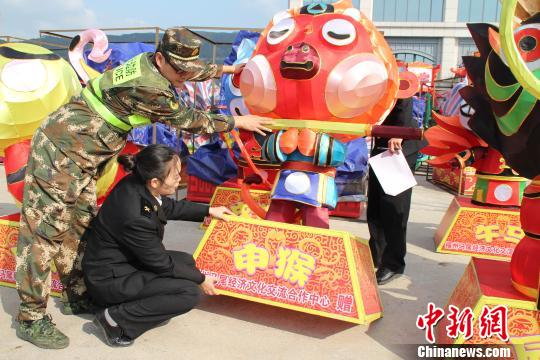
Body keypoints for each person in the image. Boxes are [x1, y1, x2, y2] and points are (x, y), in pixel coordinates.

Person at [15, 27, 272, 349]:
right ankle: (31, 317)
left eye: (186, 68)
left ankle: (76, 294)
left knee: (80, 225)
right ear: (161, 58)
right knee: (44, 233)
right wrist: (237, 122)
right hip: (63, 147)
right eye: (177, 69)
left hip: (88, 152)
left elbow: (191, 68)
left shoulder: (153, 62)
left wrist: (229, 69)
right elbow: (190, 119)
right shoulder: (149, 86)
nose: (182, 76)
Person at [82, 144, 227, 346]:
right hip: (110, 279)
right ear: (155, 181)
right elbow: (160, 262)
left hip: (123, 264)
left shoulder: (137, 182)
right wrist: (202, 279)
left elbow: (167, 206)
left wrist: (209, 210)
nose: (180, 177)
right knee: (189, 293)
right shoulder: (135, 216)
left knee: (186, 260)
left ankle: (141, 305)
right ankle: (115, 319)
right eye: (175, 175)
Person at [367, 98, 425, 285]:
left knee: (393, 207)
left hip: (399, 146)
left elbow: (404, 99)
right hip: (380, 145)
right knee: (375, 206)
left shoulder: (392, 77)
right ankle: (376, 255)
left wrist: (400, 132)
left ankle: (393, 263)